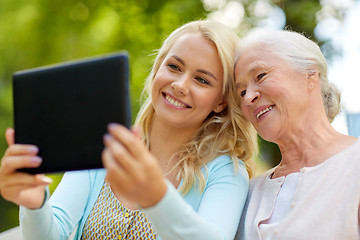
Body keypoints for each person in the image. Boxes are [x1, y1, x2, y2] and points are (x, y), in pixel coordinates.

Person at [0, 20, 258, 240]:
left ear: (221, 101)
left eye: (201, 80)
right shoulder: (103, 147)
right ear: (157, 70)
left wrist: (156, 196)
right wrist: (34, 204)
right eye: (174, 67)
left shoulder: (226, 172)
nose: (180, 84)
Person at [234, 29, 360, 240]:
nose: (248, 98)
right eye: (241, 92)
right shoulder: (247, 192)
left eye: (261, 76)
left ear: (310, 73)